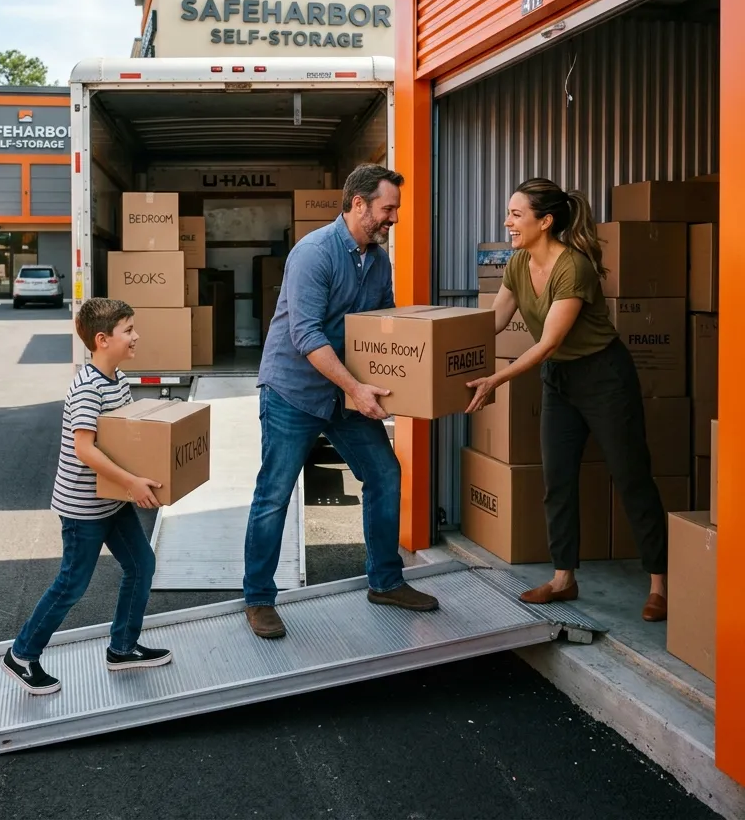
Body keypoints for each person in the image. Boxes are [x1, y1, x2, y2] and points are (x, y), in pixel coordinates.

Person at [243, 163, 440, 639]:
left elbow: (380, 326)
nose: (393, 217)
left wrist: (404, 374)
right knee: (275, 493)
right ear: (358, 204)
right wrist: (357, 388)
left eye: (394, 209)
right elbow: (305, 333)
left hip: (346, 390)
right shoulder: (313, 254)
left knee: (384, 474)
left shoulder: (378, 259)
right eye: (387, 208)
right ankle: (258, 598)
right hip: (294, 390)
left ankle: (386, 581)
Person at [465, 178, 668, 621]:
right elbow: (494, 320)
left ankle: (660, 584)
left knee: (631, 477)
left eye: (516, 214)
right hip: (561, 381)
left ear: (546, 221)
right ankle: (564, 578)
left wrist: (494, 379)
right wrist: (440, 339)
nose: (508, 222)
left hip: (604, 376)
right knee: (557, 479)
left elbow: (547, 343)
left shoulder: (573, 268)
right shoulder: (519, 263)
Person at [1, 298, 172, 695]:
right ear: (102, 339)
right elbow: (85, 449)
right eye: (128, 330)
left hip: (111, 500)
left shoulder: (118, 380)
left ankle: (123, 647)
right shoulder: (87, 386)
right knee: (72, 584)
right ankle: (22, 655)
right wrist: (131, 482)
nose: (136, 336)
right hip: (83, 507)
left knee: (141, 565)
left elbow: (124, 436)